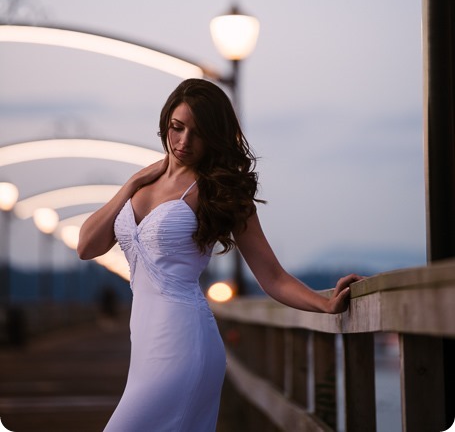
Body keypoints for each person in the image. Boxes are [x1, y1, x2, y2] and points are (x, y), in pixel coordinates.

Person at [77, 79, 361, 432]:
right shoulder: (142, 184)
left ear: (214, 137)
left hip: (184, 342)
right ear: (165, 121)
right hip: (144, 345)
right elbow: (87, 247)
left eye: (197, 133)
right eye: (177, 128)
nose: (183, 142)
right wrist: (131, 183)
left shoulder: (217, 191)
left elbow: (271, 275)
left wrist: (326, 304)